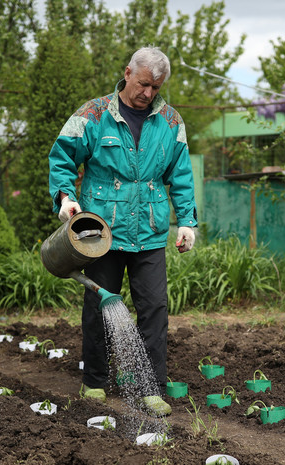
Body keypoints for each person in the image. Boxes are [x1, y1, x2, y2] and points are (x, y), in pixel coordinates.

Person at [48, 46, 197, 417]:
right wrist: (65, 196)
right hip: (102, 233)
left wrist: (187, 221)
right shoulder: (94, 114)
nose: (148, 93)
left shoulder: (171, 121)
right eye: (143, 84)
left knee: (154, 310)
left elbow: (181, 174)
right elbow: (62, 156)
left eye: (156, 87)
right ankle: (95, 382)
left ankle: (151, 389)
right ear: (127, 73)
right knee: (99, 307)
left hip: (149, 231)